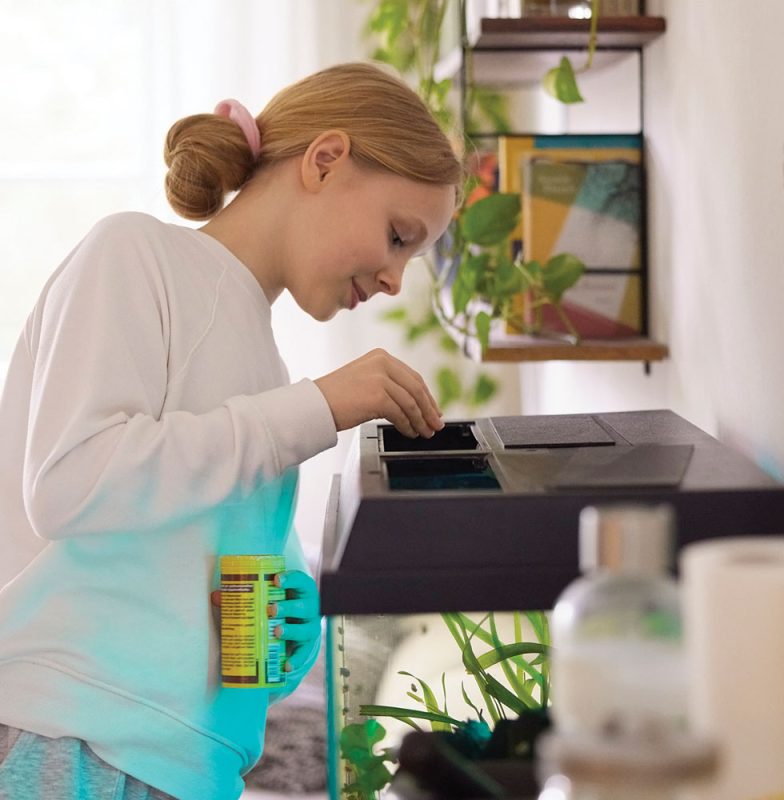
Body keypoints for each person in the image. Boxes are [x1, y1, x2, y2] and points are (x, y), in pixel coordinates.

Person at [0, 61, 463, 800]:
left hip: (188, 770)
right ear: (326, 159)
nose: (394, 280)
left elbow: (233, 617)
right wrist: (317, 409)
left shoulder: (269, 375)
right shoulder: (133, 255)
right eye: (399, 235)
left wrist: (283, 632)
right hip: (69, 744)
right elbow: (69, 484)